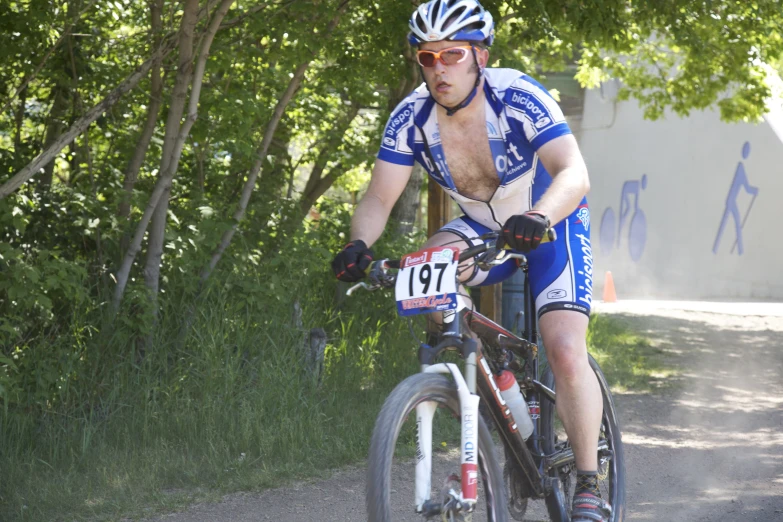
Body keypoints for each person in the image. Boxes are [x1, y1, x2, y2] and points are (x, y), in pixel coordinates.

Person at [331, 1, 607, 520]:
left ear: (480, 55)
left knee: (566, 348)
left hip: (551, 218)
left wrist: (541, 216)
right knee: (427, 275)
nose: (439, 67)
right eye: (427, 57)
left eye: (452, 54)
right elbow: (378, 197)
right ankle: (483, 383)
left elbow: (573, 172)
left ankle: (589, 479)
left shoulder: (518, 95)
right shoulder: (411, 116)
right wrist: (359, 245)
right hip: (482, 226)